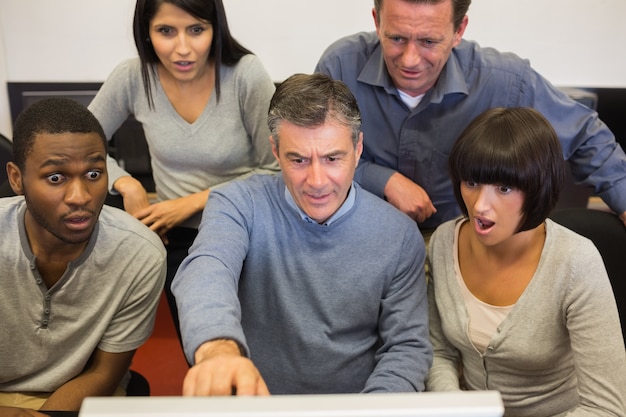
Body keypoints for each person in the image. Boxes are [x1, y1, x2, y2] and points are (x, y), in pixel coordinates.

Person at [172, 73, 432, 395]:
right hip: (259, 406)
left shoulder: (399, 235)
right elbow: (207, 269)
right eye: (298, 159)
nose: (317, 181)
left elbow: (406, 348)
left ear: (358, 148)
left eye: (332, 158)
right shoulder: (237, 203)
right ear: (276, 151)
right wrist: (217, 348)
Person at [315, 0, 626, 232]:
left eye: (428, 42)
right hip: (360, 236)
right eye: (396, 38)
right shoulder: (340, 68)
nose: (410, 59)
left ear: (459, 30)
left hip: (467, 244)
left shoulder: (504, 80)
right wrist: (384, 180)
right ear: (376, 20)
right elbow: (309, 157)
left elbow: (585, 135)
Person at [88, 0, 279, 338]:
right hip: (177, 237)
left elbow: (275, 170)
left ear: (214, 28)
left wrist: (190, 203)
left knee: (263, 347)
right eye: (165, 31)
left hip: (249, 226)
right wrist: (127, 185)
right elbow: (80, 146)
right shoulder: (133, 77)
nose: (182, 49)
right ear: (146, 32)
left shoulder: (245, 74)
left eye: (196, 30)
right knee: (206, 343)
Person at [426, 107, 626, 416]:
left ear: (537, 188)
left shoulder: (576, 263)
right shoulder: (442, 242)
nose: (480, 205)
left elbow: (606, 409)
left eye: (504, 188)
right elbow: (439, 352)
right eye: (472, 182)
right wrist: (454, 406)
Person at [0, 97, 166, 414]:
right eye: (55, 177)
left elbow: (104, 373)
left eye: (93, 174)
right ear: (17, 178)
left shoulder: (139, 253)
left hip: (81, 397)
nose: (80, 198)